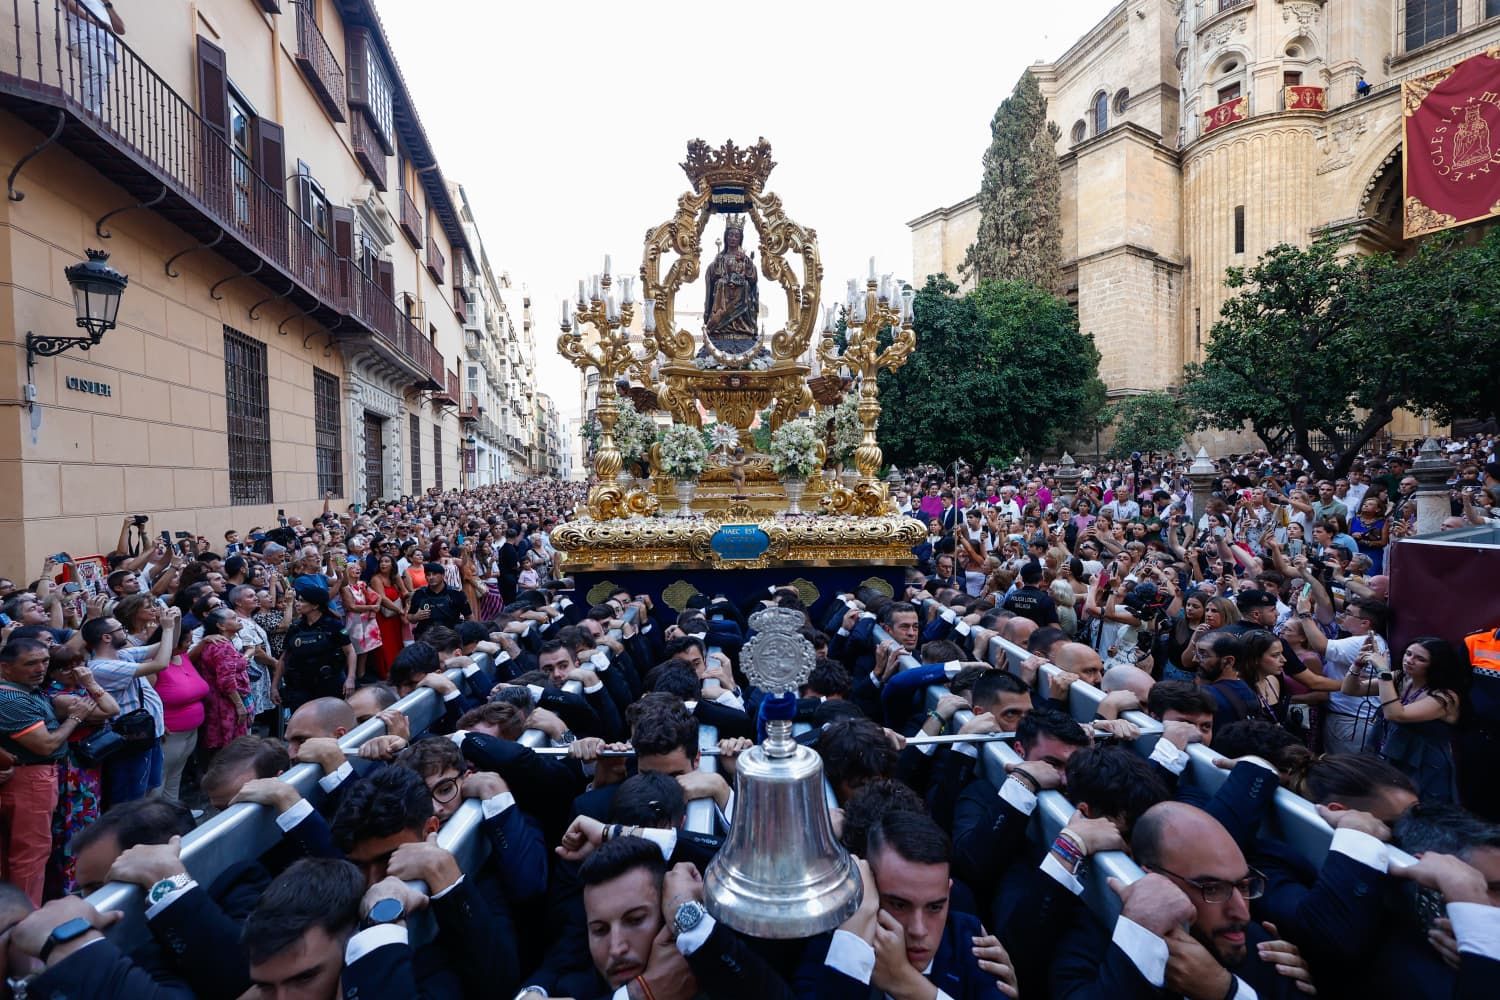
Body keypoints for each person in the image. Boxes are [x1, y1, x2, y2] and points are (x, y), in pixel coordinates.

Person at [798, 810, 1014, 999]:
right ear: (869, 890)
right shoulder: (834, 945)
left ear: (948, 893)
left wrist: (906, 983)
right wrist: (853, 947)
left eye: (935, 907)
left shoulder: (971, 943)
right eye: (900, 905)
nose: (918, 930)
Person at [0, 638, 94, 904]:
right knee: (30, 854)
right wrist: (76, 718)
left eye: (44, 662)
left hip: (30, 776)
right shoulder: (10, 698)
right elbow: (46, 744)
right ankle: (26, 920)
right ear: (5, 668)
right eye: (30, 663)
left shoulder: (25, 691)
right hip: (30, 780)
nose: (40, 669)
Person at [1342, 636, 1469, 803]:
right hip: (1392, 755)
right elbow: (1350, 689)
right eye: (1408, 654)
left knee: (1420, 812)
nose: (1409, 660)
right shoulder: (1400, 678)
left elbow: (1395, 714)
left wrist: (1383, 671)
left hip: (1424, 764)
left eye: (1420, 659)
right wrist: (1358, 663)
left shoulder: (1444, 696)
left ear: (1436, 665)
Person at [152, 622, 209, 804]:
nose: (189, 645)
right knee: (160, 779)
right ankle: (154, 821)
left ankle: (173, 813)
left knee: (176, 775)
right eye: (186, 642)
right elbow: (145, 697)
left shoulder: (183, 656)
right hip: (170, 733)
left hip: (190, 730)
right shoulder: (153, 664)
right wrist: (157, 722)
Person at [275, 583, 356, 709]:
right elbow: (284, 659)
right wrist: (274, 686)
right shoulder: (296, 628)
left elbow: (350, 652)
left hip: (329, 684)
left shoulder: (334, 625)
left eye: (302, 601)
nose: (297, 603)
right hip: (301, 687)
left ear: (315, 605)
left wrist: (350, 678)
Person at [193, 606, 252, 759]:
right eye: (233, 618)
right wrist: (240, 706)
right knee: (229, 750)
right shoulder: (222, 646)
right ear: (221, 625)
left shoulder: (222, 643)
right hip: (226, 704)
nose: (238, 619)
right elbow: (226, 681)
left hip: (221, 700)